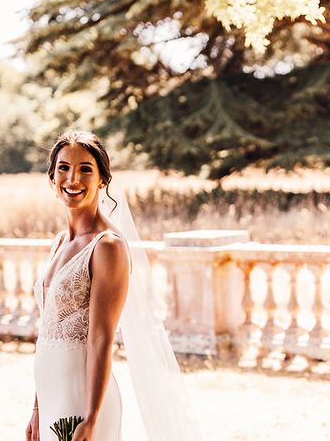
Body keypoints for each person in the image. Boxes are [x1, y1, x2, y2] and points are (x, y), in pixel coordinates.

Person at [27, 130, 199, 441]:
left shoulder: (107, 246)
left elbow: (101, 338)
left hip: (83, 398)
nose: (73, 178)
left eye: (85, 169)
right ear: (52, 178)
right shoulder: (59, 243)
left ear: (103, 180)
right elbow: (47, 333)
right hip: (51, 394)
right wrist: (37, 408)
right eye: (64, 167)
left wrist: (91, 419)